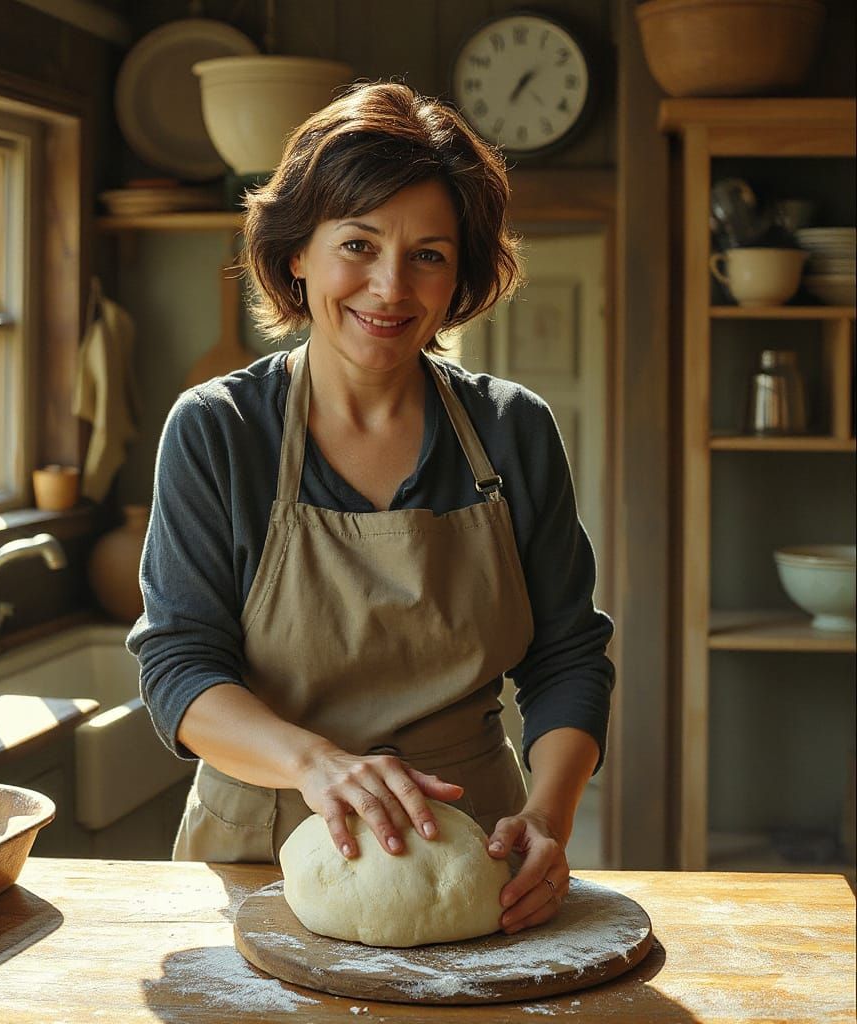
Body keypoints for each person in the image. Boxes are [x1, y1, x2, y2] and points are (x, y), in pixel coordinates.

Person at [128, 81, 614, 935]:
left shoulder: (512, 430)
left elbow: (568, 655)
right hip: (259, 840)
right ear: (297, 255)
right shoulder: (220, 431)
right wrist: (314, 762)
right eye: (358, 243)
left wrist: (547, 816)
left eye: (429, 253)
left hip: (473, 843)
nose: (391, 288)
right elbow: (179, 669)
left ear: (460, 273)